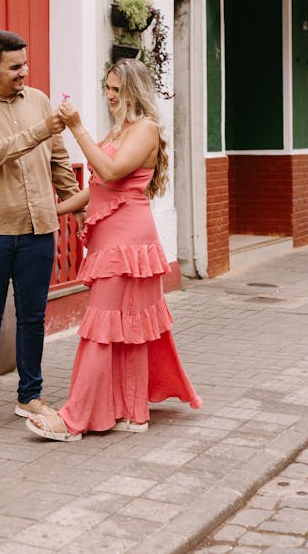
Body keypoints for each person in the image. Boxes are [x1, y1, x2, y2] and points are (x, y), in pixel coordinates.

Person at [25, 58, 202, 441]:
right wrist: (53, 209)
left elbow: (109, 171)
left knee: (105, 328)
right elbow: (98, 189)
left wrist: (76, 128)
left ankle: (74, 420)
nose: (109, 96)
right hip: (114, 241)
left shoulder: (146, 129)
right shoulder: (120, 130)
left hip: (128, 244)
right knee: (125, 328)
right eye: (107, 88)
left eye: (116, 90)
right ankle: (132, 412)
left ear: (134, 90)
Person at [0, 30, 84, 431]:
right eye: (14, 67)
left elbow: (58, 159)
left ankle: (30, 396)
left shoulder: (40, 101)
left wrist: (77, 206)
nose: (23, 72)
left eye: (25, 64)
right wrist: (44, 129)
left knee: (33, 315)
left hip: (38, 227)